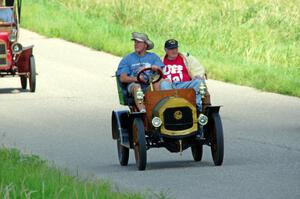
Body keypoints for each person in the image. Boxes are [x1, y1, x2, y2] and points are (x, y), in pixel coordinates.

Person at [117, 32, 164, 112]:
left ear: (145, 45)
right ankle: (142, 110)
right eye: (135, 42)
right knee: (137, 87)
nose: (135, 44)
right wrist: (137, 79)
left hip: (150, 84)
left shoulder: (153, 57)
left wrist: (155, 68)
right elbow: (122, 78)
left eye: (138, 42)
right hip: (133, 85)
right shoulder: (127, 59)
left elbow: (160, 70)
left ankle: (161, 107)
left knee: (160, 82)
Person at [160, 39, 207, 114]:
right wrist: (162, 80)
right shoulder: (160, 60)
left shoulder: (186, 57)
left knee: (199, 82)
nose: (174, 51)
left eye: (176, 48)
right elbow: (154, 76)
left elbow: (198, 67)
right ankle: (170, 108)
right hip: (170, 86)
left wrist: (196, 76)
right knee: (164, 84)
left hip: (185, 85)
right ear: (165, 49)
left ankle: (197, 108)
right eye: (171, 49)